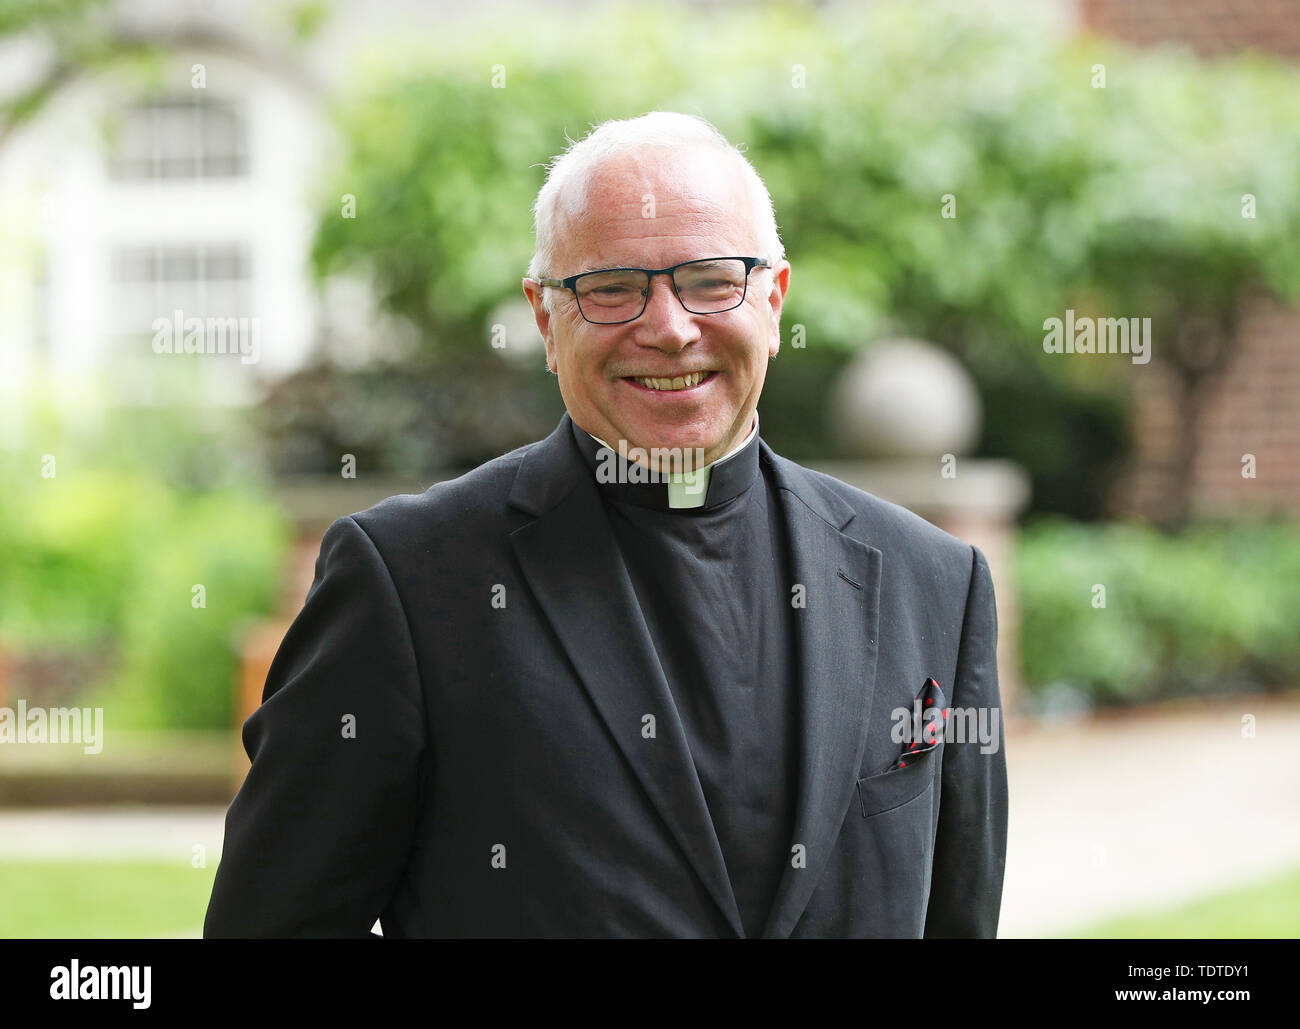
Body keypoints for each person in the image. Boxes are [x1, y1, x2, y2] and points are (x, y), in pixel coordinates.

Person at [204, 111, 1008, 939]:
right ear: (546, 320)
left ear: (773, 300)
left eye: (709, 279)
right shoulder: (408, 583)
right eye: (613, 287)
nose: (667, 327)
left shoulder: (935, 585)